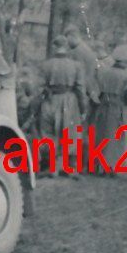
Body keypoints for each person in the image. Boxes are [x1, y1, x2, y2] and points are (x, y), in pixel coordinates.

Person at [38, 36, 86, 173]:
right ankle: (70, 167)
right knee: (70, 133)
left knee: (48, 132)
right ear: (66, 47)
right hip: (69, 100)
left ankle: (50, 167)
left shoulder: (46, 65)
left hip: (50, 99)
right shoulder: (76, 65)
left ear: (54, 47)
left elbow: (39, 87)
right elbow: (81, 88)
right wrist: (83, 108)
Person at [93, 44, 127, 173]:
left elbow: (98, 91)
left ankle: (98, 166)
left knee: (101, 136)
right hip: (117, 107)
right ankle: (111, 167)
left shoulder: (104, 72)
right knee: (115, 137)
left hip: (103, 106)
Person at [67, 30, 100, 124]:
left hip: (82, 91)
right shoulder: (87, 49)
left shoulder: (77, 52)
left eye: (68, 39)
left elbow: (78, 75)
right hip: (91, 90)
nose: (67, 43)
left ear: (72, 36)